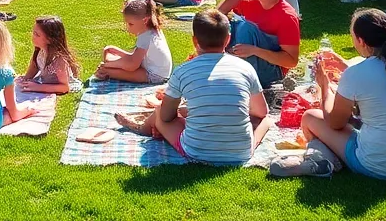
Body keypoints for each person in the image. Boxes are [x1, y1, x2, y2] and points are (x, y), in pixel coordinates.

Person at [117, 9, 273, 166]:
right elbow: (261, 112)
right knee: (265, 119)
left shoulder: (183, 71)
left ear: (194, 41)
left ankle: (141, 127)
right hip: (241, 152)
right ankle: (249, 145)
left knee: (159, 113)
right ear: (228, 40)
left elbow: (166, 117)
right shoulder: (245, 68)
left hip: (197, 151)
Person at [302, 8, 386, 181]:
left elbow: (335, 122)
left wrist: (324, 87)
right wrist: (346, 68)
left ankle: (323, 158)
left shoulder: (356, 74)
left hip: (380, 167)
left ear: (361, 41)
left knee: (310, 117)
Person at [218, 0, 301, 87]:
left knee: (246, 28)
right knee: (225, 23)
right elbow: (217, 15)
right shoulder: (250, 1)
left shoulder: (286, 16)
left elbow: (291, 61)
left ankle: (237, 80)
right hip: (249, 60)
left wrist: (254, 50)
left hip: (271, 72)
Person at [97, 0, 173, 83]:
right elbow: (135, 59)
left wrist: (109, 65)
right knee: (110, 51)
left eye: (130, 24)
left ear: (145, 20)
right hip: (153, 70)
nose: (127, 28)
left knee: (107, 71)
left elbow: (132, 66)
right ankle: (108, 67)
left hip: (155, 76)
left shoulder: (145, 37)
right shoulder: (151, 30)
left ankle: (107, 71)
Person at [20, 15, 82, 94]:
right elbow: (34, 67)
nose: (33, 36)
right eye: (33, 33)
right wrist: (25, 80)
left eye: (37, 34)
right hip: (46, 80)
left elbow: (64, 87)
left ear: (50, 39)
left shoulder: (59, 60)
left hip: (58, 85)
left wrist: (37, 87)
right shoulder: (39, 50)